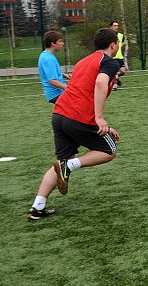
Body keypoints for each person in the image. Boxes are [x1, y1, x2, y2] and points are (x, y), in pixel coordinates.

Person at [26, 28, 122, 220]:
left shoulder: (82, 62)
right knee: (109, 151)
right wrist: (99, 118)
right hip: (77, 116)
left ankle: (37, 206)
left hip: (60, 114)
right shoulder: (108, 62)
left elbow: (79, 89)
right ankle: (69, 166)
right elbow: (100, 83)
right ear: (113, 45)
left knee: (61, 162)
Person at [37, 31, 70, 104]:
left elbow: (50, 73)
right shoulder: (48, 59)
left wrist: (62, 75)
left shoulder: (46, 55)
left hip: (56, 93)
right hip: (56, 94)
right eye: (60, 41)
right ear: (53, 43)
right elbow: (52, 81)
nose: (62, 43)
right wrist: (69, 88)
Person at [109, 21, 128, 89]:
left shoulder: (120, 35)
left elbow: (125, 42)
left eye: (117, 25)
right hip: (112, 57)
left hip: (120, 57)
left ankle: (114, 78)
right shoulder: (108, 36)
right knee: (115, 70)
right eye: (115, 25)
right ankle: (115, 84)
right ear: (111, 27)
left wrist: (121, 46)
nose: (116, 27)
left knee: (123, 71)